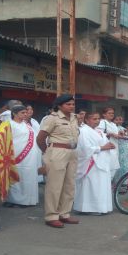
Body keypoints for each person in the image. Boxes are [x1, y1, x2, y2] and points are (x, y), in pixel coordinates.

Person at [36, 94, 80, 228]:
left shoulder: (74, 118)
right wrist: (47, 152)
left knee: (69, 184)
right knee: (54, 186)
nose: (71, 106)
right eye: (68, 104)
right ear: (60, 105)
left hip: (72, 152)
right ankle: (51, 216)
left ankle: (64, 213)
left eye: (72, 104)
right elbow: (40, 138)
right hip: (57, 152)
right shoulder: (52, 118)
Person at [73, 111, 116, 215]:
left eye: (98, 119)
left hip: (102, 161)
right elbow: (84, 148)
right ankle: (88, 208)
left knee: (101, 185)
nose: (97, 121)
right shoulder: (83, 131)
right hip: (91, 162)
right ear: (87, 120)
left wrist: (109, 145)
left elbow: (104, 143)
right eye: (94, 119)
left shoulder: (99, 131)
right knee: (90, 185)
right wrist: (102, 147)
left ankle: (100, 207)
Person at [5, 105, 39, 207]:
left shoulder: (27, 125)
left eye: (25, 112)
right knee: (16, 177)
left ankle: (28, 200)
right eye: (22, 113)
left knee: (28, 177)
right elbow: (6, 140)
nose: (25, 114)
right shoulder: (8, 124)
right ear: (14, 113)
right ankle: (13, 200)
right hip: (16, 155)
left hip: (30, 157)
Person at [98, 107, 121, 179]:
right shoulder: (102, 122)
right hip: (107, 149)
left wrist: (120, 133)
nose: (111, 114)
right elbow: (98, 134)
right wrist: (110, 134)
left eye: (112, 113)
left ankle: (109, 188)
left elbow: (116, 135)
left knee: (113, 170)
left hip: (115, 148)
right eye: (109, 113)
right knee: (107, 171)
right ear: (104, 115)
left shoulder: (113, 124)